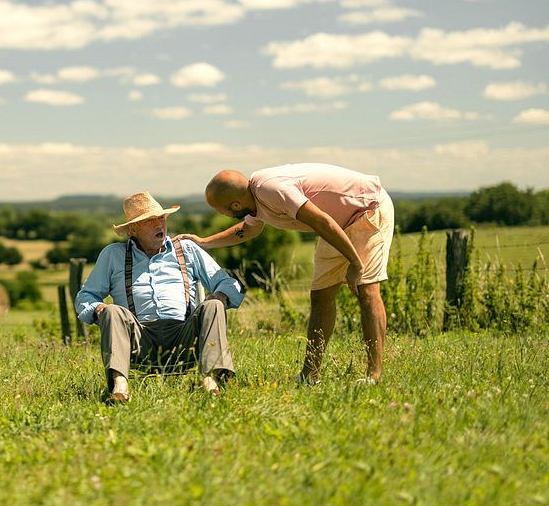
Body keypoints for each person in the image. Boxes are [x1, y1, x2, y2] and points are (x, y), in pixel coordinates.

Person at [185, 163, 394, 384]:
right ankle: (310, 375)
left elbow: (321, 221)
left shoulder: (271, 190)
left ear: (235, 205)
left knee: (366, 289)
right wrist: (203, 242)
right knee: (321, 296)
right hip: (336, 225)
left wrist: (356, 264)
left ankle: (374, 375)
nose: (222, 214)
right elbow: (248, 230)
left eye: (221, 210)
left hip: (367, 209)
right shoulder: (254, 200)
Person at [74, 191, 244, 401]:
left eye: (161, 218)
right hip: (138, 340)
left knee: (214, 305)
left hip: (185, 337)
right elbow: (85, 297)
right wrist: (98, 309)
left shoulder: (186, 249)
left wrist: (220, 295)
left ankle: (210, 381)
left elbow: (228, 283)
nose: (159, 224)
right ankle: (119, 386)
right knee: (112, 310)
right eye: (150, 220)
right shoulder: (113, 254)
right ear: (133, 229)